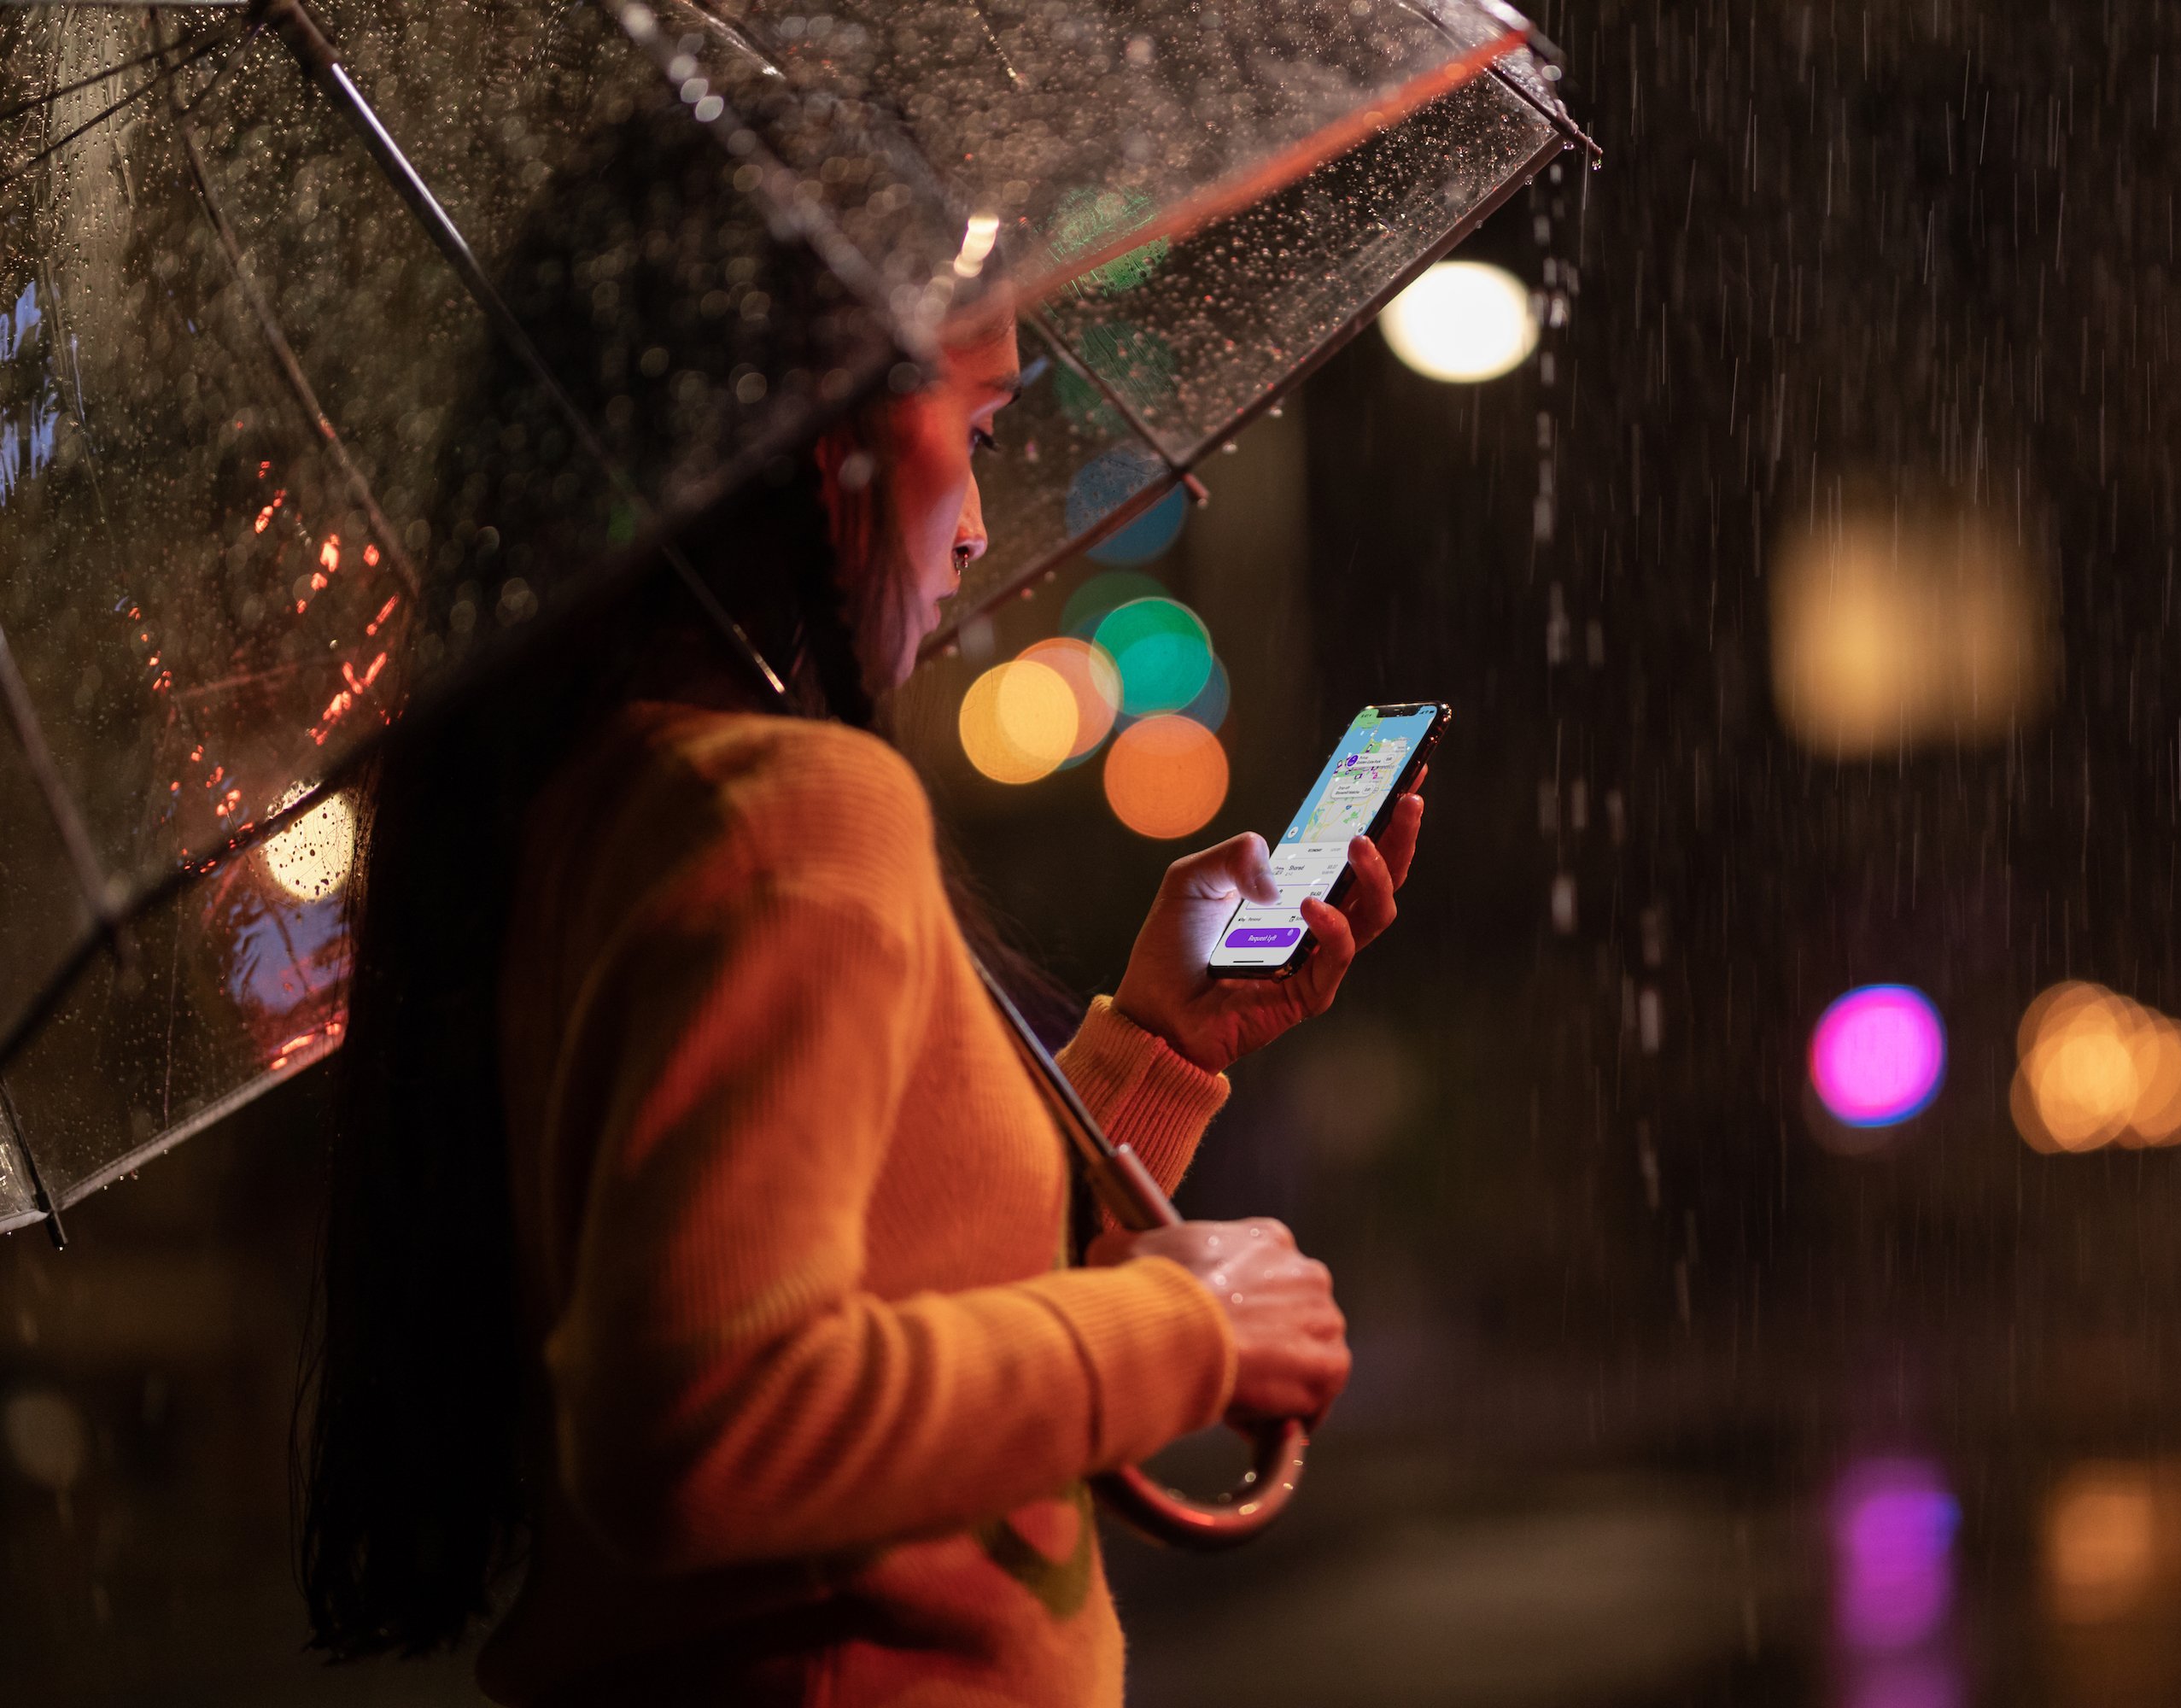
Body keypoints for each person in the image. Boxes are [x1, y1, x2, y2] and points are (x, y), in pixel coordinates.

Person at [295, 190, 1427, 1706]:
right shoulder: (791, 809)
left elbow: (890, 1290)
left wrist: (1158, 1044)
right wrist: (1186, 1324)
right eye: (974, 422)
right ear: (822, 438)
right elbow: (705, 1425)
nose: (972, 520)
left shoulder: (603, 794)